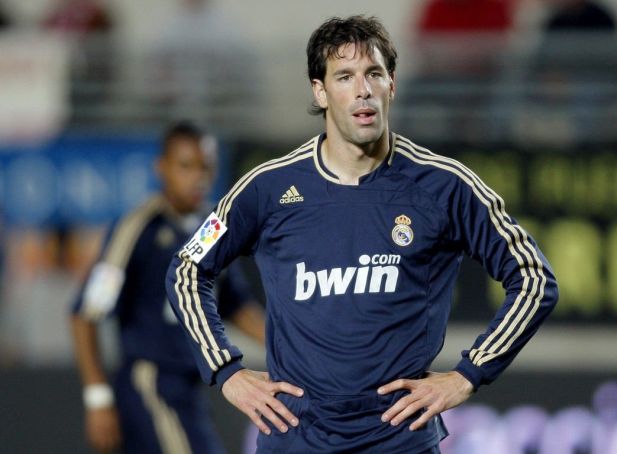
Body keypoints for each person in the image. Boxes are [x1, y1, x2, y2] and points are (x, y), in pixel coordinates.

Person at [165, 16, 558, 453]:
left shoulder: (445, 186)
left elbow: (534, 278)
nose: (363, 90)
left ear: (392, 84)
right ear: (320, 91)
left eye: (374, 74)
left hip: (399, 442)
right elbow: (187, 268)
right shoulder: (265, 188)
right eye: (345, 77)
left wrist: (468, 374)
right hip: (295, 439)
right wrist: (226, 371)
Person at [70, 121, 265, 453]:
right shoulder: (138, 228)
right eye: (186, 166)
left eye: (205, 167)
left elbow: (234, 304)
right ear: (162, 168)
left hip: (191, 384)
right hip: (150, 382)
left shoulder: (211, 229)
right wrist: (97, 396)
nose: (198, 178)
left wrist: (287, 345)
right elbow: (86, 314)